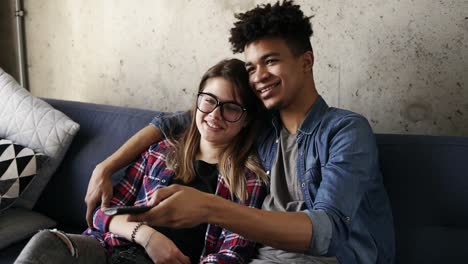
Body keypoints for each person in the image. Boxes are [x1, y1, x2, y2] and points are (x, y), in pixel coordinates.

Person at [86, 1, 395, 263]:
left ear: (306, 62)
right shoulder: (260, 125)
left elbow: (327, 232)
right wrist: (106, 167)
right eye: (251, 66)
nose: (259, 76)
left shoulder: (345, 131)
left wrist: (211, 208)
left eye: (271, 61)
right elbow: (181, 120)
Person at [15, 59, 268, 264]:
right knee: (46, 242)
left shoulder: (247, 179)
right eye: (209, 100)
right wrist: (147, 237)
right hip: (110, 249)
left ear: (246, 120)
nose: (215, 115)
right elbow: (104, 214)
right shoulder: (160, 152)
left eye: (231, 108)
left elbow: (233, 252)